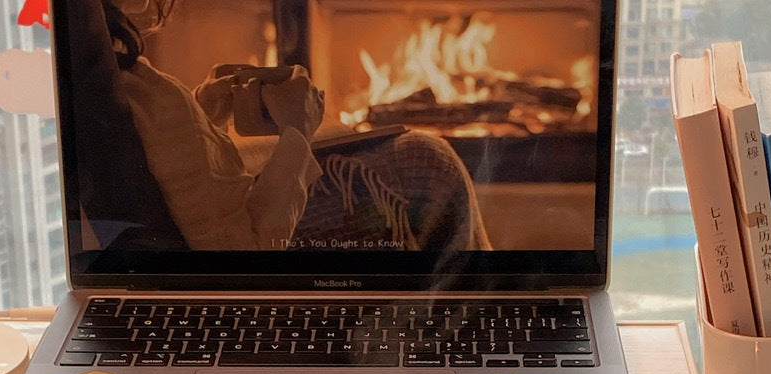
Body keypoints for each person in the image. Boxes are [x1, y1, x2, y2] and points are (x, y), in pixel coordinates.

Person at [102, 0, 491, 252]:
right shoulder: (142, 89)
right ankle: (466, 322)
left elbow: (177, 175)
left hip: (194, 228)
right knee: (429, 164)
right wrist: (298, 132)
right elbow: (247, 252)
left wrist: (202, 115)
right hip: (250, 252)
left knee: (401, 149)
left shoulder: (113, 74)